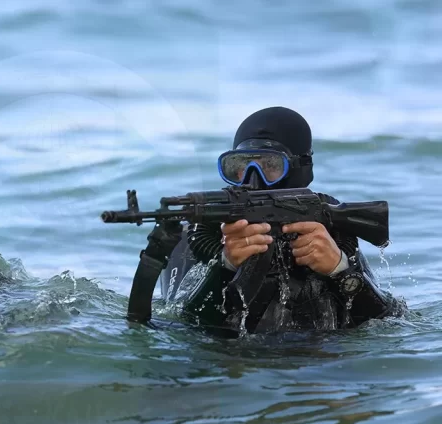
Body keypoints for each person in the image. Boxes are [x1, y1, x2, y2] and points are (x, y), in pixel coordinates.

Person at [157, 106, 403, 334]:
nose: (253, 180)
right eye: (240, 166)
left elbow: (387, 321)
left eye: (271, 166)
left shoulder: (330, 236)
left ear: (300, 169)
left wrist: (339, 270)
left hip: (318, 360)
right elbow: (183, 326)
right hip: (231, 361)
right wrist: (226, 265)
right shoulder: (197, 238)